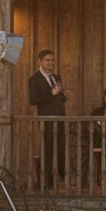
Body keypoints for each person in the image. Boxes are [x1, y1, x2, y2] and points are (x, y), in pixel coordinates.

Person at [28, 49, 68, 190]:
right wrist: (51, 94)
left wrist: (62, 94)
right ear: (40, 61)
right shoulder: (34, 79)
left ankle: (61, 177)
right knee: (48, 148)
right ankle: (47, 180)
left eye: (52, 60)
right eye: (47, 60)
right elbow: (34, 100)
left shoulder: (56, 77)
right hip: (46, 118)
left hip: (60, 116)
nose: (51, 63)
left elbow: (61, 97)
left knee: (61, 147)